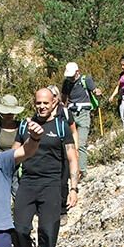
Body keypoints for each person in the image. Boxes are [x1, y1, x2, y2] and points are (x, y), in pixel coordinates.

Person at [12, 87, 79, 247]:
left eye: (45, 103)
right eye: (38, 103)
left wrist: (74, 188)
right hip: (28, 183)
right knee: (21, 228)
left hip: (51, 185)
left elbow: (71, 156)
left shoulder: (61, 126)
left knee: (48, 232)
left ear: (54, 103)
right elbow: (12, 156)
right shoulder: (24, 125)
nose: (41, 106)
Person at [60, 62, 101, 179]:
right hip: (71, 114)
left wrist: (97, 92)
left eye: (72, 76)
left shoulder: (86, 79)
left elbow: (93, 90)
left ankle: (82, 171)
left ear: (77, 72)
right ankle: (70, 169)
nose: (70, 78)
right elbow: (64, 98)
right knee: (69, 143)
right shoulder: (67, 83)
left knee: (81, 144)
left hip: (83, 114)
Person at [48, 84, 77, 225]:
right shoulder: (41, 114)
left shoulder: (64, 112)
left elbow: (73, 130)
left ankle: (62, 211)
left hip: (64, 152)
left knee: (62, 182)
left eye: (53, 95)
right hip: (49, 154)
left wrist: (75, 149)